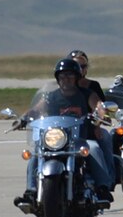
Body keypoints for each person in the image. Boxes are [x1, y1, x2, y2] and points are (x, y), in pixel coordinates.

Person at [14, 58, 114, 205]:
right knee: (36, 154)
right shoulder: (52, 96)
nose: (65, 79)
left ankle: (103, 188)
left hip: (80, 139)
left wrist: (101, 116)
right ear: (57, 78)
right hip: (56, 139)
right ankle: (31, 191)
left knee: (93, 148)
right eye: (62, 76)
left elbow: (98, 106)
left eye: (69, 76)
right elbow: (36, 110)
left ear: (77, 77)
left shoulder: (87, 94)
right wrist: (22, 119)